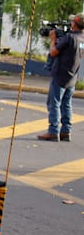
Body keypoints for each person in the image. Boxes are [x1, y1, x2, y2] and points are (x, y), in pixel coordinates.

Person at [37, 13, 84, 141]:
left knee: (54, 103)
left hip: (60, 75)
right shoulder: (82, 38)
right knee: (67, 103)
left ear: (74, 23)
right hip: (72, 76)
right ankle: (66, 131)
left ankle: (53, 131)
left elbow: (53, 52)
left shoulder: (69, 37)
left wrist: (53, 39)